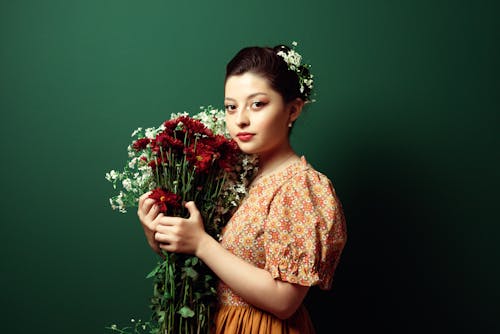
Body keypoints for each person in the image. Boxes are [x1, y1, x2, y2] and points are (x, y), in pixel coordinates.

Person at [137, 43, 347, 333]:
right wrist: (161, 235)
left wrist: (201, 243)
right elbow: (206, 270)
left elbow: (285, 300)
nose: (241, 119)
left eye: (257, 104)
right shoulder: (230, 175)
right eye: (231, 107)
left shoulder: (300, 186)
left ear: (293, 109)